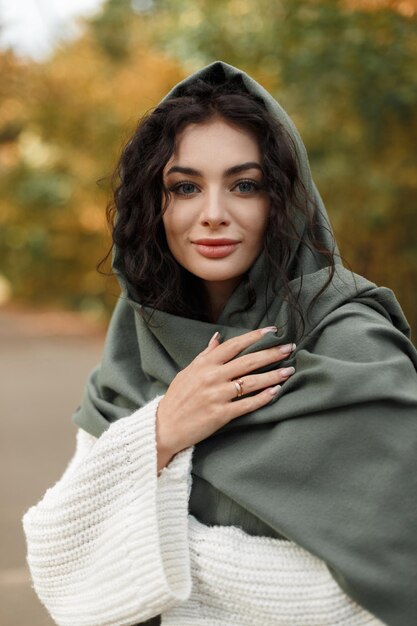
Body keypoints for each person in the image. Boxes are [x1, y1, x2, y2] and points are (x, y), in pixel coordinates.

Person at [23, 62, 417, 626]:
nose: (212, 215)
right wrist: (160, 432)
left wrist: (164, 562)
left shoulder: (351, 345)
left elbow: (388, 588)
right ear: (154, 206)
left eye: (245, 186)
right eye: (185, 187)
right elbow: (58, 557)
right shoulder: (137, 346)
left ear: (285, 198)